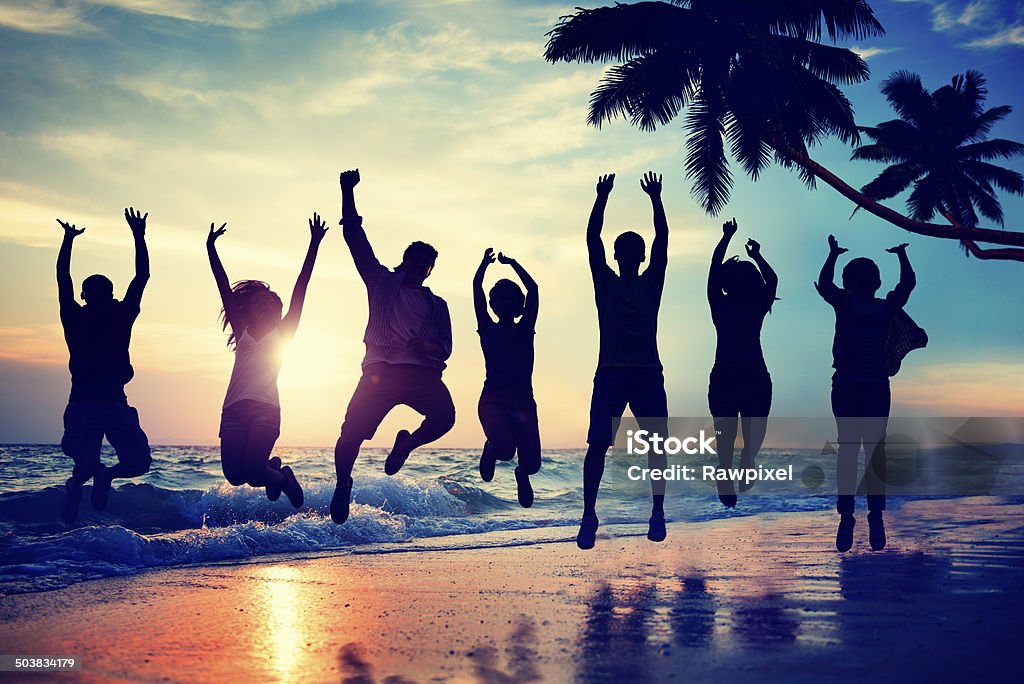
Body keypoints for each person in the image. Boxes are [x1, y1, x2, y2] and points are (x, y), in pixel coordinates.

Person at [331, 168, 455, 524]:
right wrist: (347, 191)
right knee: (350, 432)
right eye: (414, 259)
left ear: (430, 270)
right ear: (405, 259)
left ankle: (407, 444)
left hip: (421, 375)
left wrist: (426, 346)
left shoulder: (438, 305)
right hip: (380, 373)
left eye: (426, 263)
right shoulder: (381, 282)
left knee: (445, 418)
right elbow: (355, 238)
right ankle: (343, 484)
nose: (419, 266)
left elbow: (445, 349)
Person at [206, 215, 328, 508]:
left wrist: (314, 243)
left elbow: (302, 285)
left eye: (270, 301)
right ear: (247, 308)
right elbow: (223, 286)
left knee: (252, 471)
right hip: (233, 410)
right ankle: (277, 474)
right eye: (258, 302)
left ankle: (283, 477)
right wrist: (210, 247)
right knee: (236, 477)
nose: (264, 304)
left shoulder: (284, 332)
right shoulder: (242, 330)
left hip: (265, 409)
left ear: (278, 308)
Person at [577, 171, 670, 550]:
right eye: (624, 251)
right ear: (618, 256)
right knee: (597, 445)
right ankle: (588, 514)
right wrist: (602, 198)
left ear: (641, 257)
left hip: (647, 374)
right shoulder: (606, 283)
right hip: (612, 374)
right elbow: (591, 240)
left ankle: (657, 511)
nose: (629, 256)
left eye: (636, 252)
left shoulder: (651, 283)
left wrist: (656, 198)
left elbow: (663, 240)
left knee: (657, 446)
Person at [816, 235, 919, 552]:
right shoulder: (854, 303)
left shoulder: (877, 306)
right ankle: (856, 516)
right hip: (854, 384)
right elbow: (825, 283)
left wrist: (900, 256)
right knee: (861, 450)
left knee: (864, 450)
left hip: (865, 384)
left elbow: (907, 286)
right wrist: (832, 254)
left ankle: (867, 516)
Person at [56, 208, 154, 523]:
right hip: (86, 404)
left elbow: (63, 280)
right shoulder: (81, 317)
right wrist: (138, 235)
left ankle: (102, 476)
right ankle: (77, 485)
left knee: (138, 462)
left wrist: (68, 241)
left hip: (113, 404)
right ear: (88, 296)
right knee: (86, 465)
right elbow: (141, 277)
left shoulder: (112, 315)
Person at [707, 219, 778, 508]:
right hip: (741, 375)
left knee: (746, 434)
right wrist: (754, 254)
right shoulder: (725, 304)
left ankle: (745, 462)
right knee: (732, 436)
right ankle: (728, 477)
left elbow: (770, 282)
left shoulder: (748, 305)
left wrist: (729, 240)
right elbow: (771, 280)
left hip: (740, 375)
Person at [473, 247, 541, 507]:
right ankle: (490, 448)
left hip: (524, 401)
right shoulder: (487, 327)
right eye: (499, 298)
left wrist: (513, 262)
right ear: (492, 304)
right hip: (493, 400)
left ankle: (521, 474)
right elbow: (477, 290)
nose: (504, 302)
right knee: (504, 450)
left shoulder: (526, 328)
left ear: (519, 304)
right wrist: (484, 266)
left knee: (532, 465)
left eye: (510, 298)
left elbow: (533, 289)